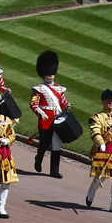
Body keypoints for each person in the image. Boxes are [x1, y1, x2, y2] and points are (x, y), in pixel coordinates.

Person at [86, 89, 112, 213]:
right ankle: (91, 193)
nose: (111, 102)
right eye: (108, 100)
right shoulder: (98, 117)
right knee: (101, 175)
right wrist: (100, 143)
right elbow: (95, 131)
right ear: (103, 102)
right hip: (104, 150)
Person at [31, 50, 68, 178]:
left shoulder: (59, 89)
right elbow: (33, 105)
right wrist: (41, 114)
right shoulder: (38, 89)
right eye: (48, 74)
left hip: (56, 120)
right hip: (45, 120)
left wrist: (67, 106)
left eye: (52, 74)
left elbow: (63, 103)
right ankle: (38, 158)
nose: (51, 76)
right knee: (45, 143)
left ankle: (54, 170)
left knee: (57, 145)